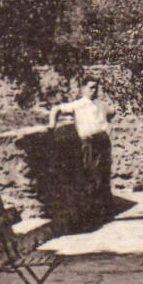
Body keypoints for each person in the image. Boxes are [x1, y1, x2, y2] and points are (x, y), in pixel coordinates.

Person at [49, 76, 116, 215]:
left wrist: (104, 125)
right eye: (91, 87)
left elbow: (112, 112)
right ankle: (91, 209)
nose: (94, 90)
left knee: (104, 173)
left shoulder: (101, 104)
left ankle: (104, 208)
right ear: (83, 89)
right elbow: (56, 109)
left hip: (102, 141)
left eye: (96, 87)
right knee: (91, 172)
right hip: (89, 142)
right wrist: (52, 126)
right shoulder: (78, 104)